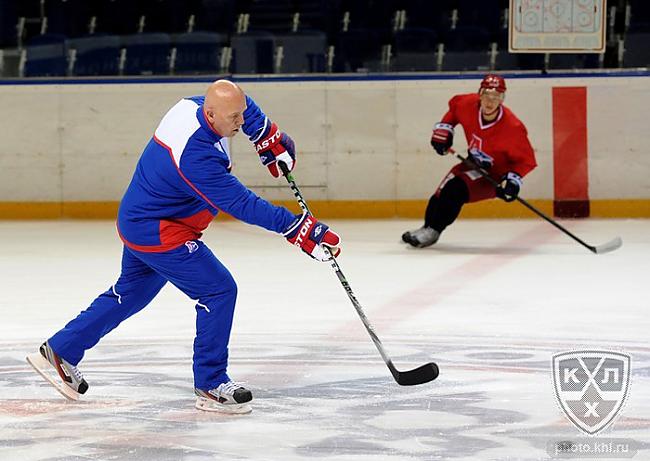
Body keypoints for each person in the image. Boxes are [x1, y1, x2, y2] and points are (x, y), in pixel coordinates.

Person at [26, 80, 341, 414]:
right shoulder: (196, 155)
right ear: (211, 114)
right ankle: (211, 383)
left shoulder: (192, 107)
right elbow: (240, 202)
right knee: (219, 290)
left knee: (131, 292)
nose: (240, 122)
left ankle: (61, 349)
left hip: (139, 218)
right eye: (234, 118)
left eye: (242, 115)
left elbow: (240, 105)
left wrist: (265, 133)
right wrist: (296, 227)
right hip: (160, 231)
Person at [402, 74, 537, 248]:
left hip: (494, 176)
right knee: (440, 193)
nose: (490, 101)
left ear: (502, 99)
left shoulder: (512, 127)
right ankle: (426, 228)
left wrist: (513, 180)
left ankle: (433, 231)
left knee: (454, 190)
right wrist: (445, 129)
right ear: (479, 94)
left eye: (497, 97)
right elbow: (453, 111)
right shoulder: (467, 104)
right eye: (487, 95)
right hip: (472, 163)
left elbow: (526, 161)